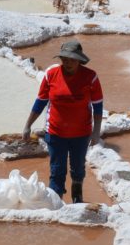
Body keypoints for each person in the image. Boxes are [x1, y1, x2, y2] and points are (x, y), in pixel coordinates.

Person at [22, 40, 103, 204]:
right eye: (65, 59)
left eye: (72, 60)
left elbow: (98, 107)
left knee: (78, 169)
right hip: (55, 132)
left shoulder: (90, 77)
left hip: (81, 134)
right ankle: (56, 205)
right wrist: (27, 125)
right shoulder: (51, 75)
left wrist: (96, 132)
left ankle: (77, 198)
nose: (68, 63)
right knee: (57, 171)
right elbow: (40, 101)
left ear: (80, 59)